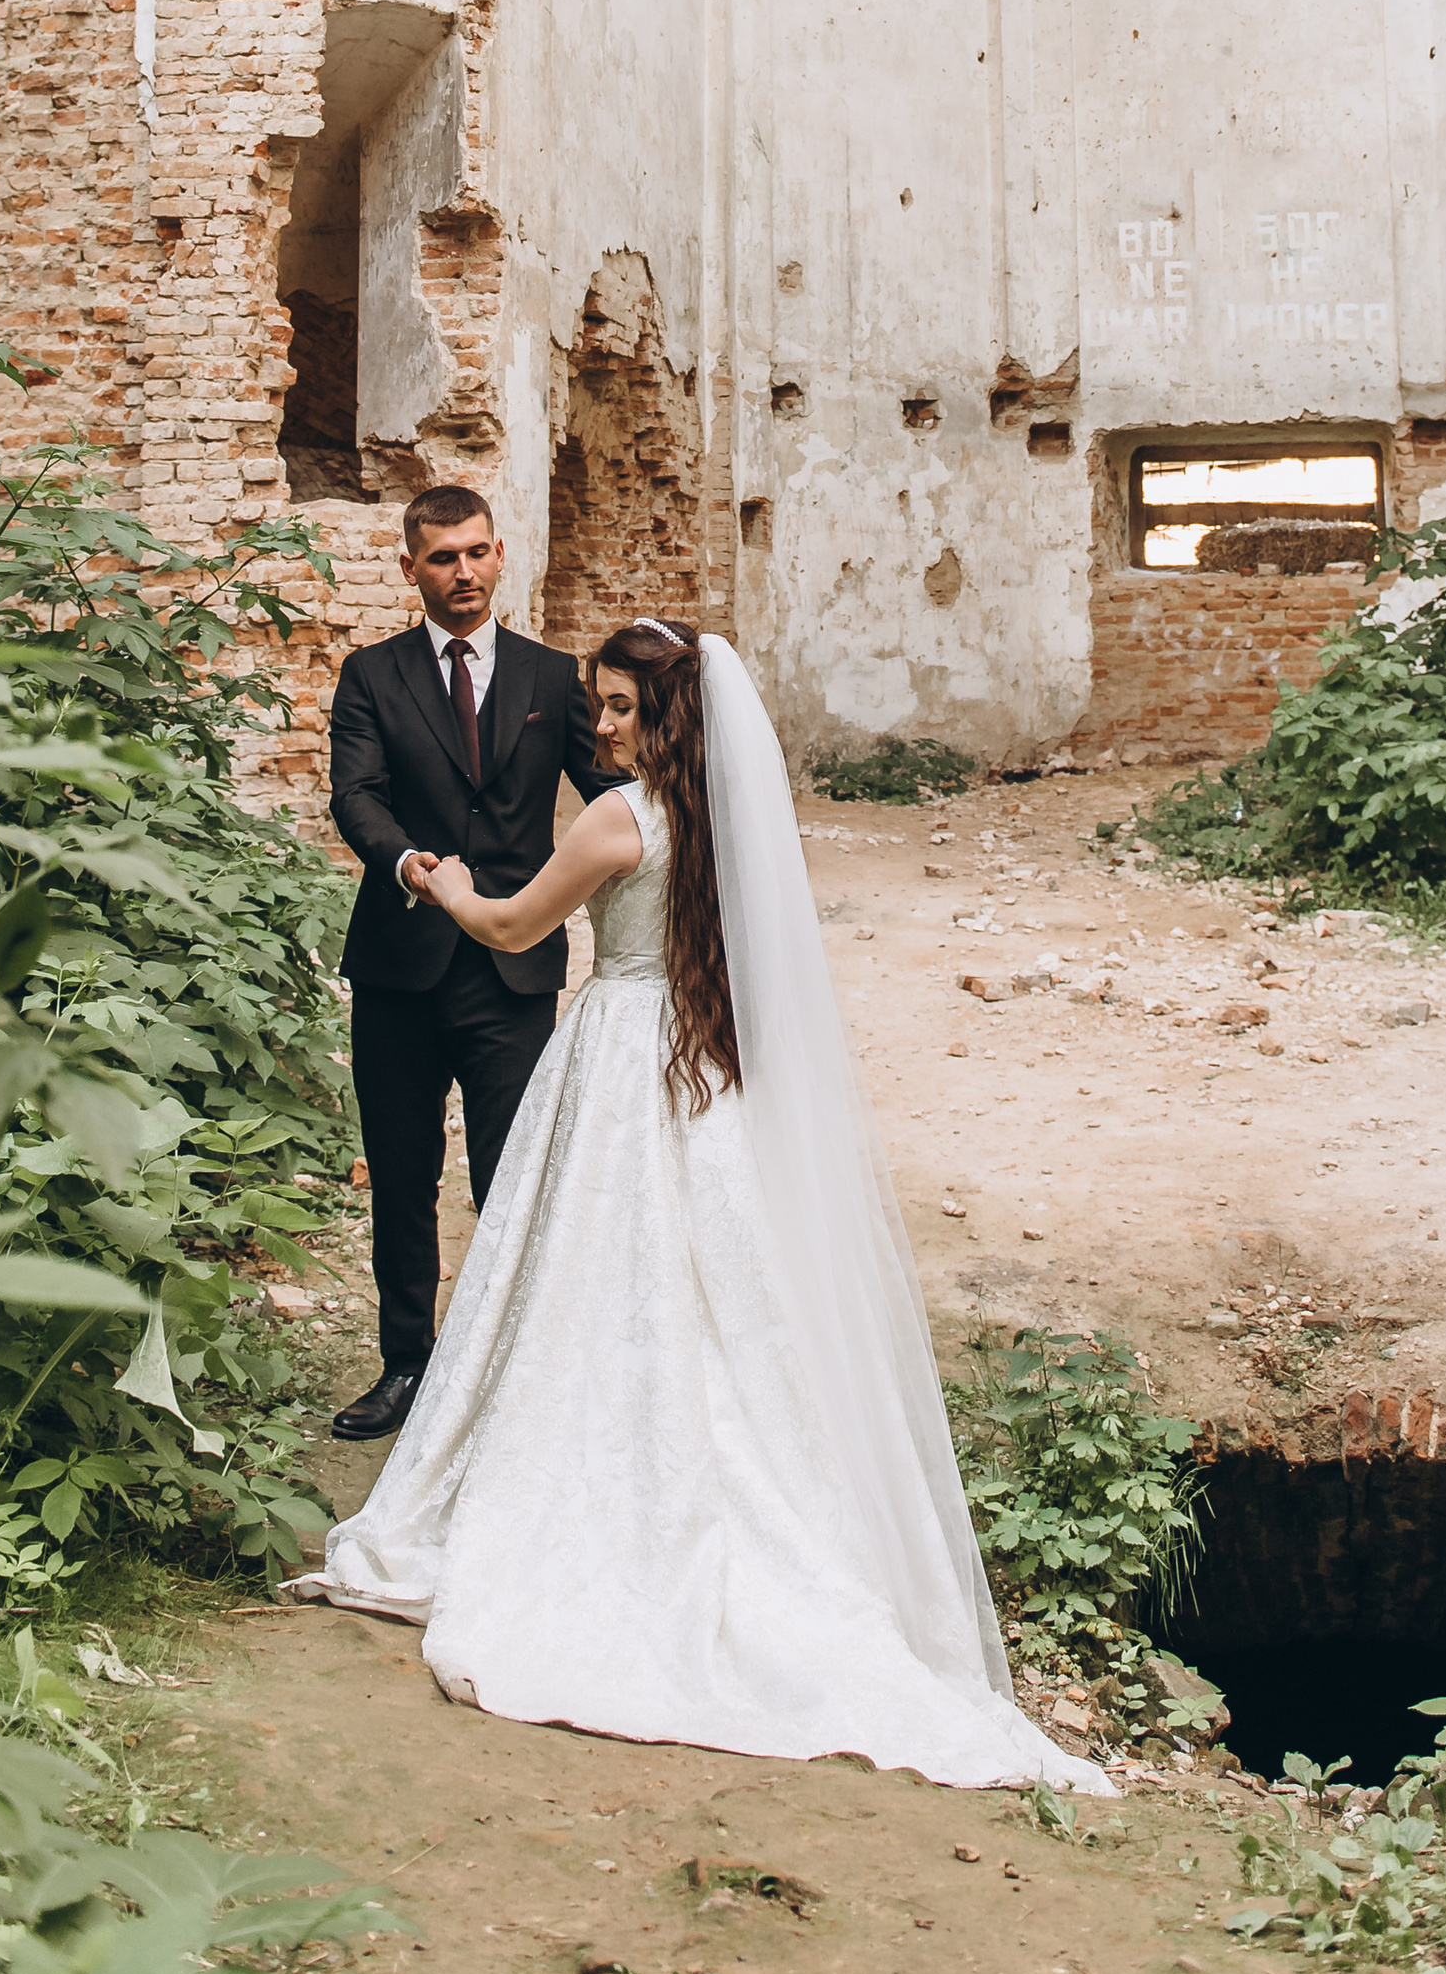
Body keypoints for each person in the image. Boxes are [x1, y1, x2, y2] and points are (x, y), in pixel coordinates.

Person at [288, 618, 1107, 1794]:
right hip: (702, 1067)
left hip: (623, 1056)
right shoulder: (724, 821)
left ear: (667, 713)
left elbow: (519, 928)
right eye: (599, 706)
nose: (602, 727)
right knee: (708, 1279)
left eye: (620, 707)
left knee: (591, 1264)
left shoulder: (618, 817)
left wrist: (456, 886)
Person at [326, 484, 618, 1440]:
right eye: (443, 557)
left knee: (511, 1178)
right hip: (399, 969)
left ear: (502, 556)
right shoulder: (371, 675)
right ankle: (407, 1367)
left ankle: (509, 1373)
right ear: (410, 567)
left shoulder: (550, 677)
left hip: (516, 972)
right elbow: (357, 796)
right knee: (403, 1177)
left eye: (478, 553)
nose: (464, 572)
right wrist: (409, 864)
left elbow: (612, 788)